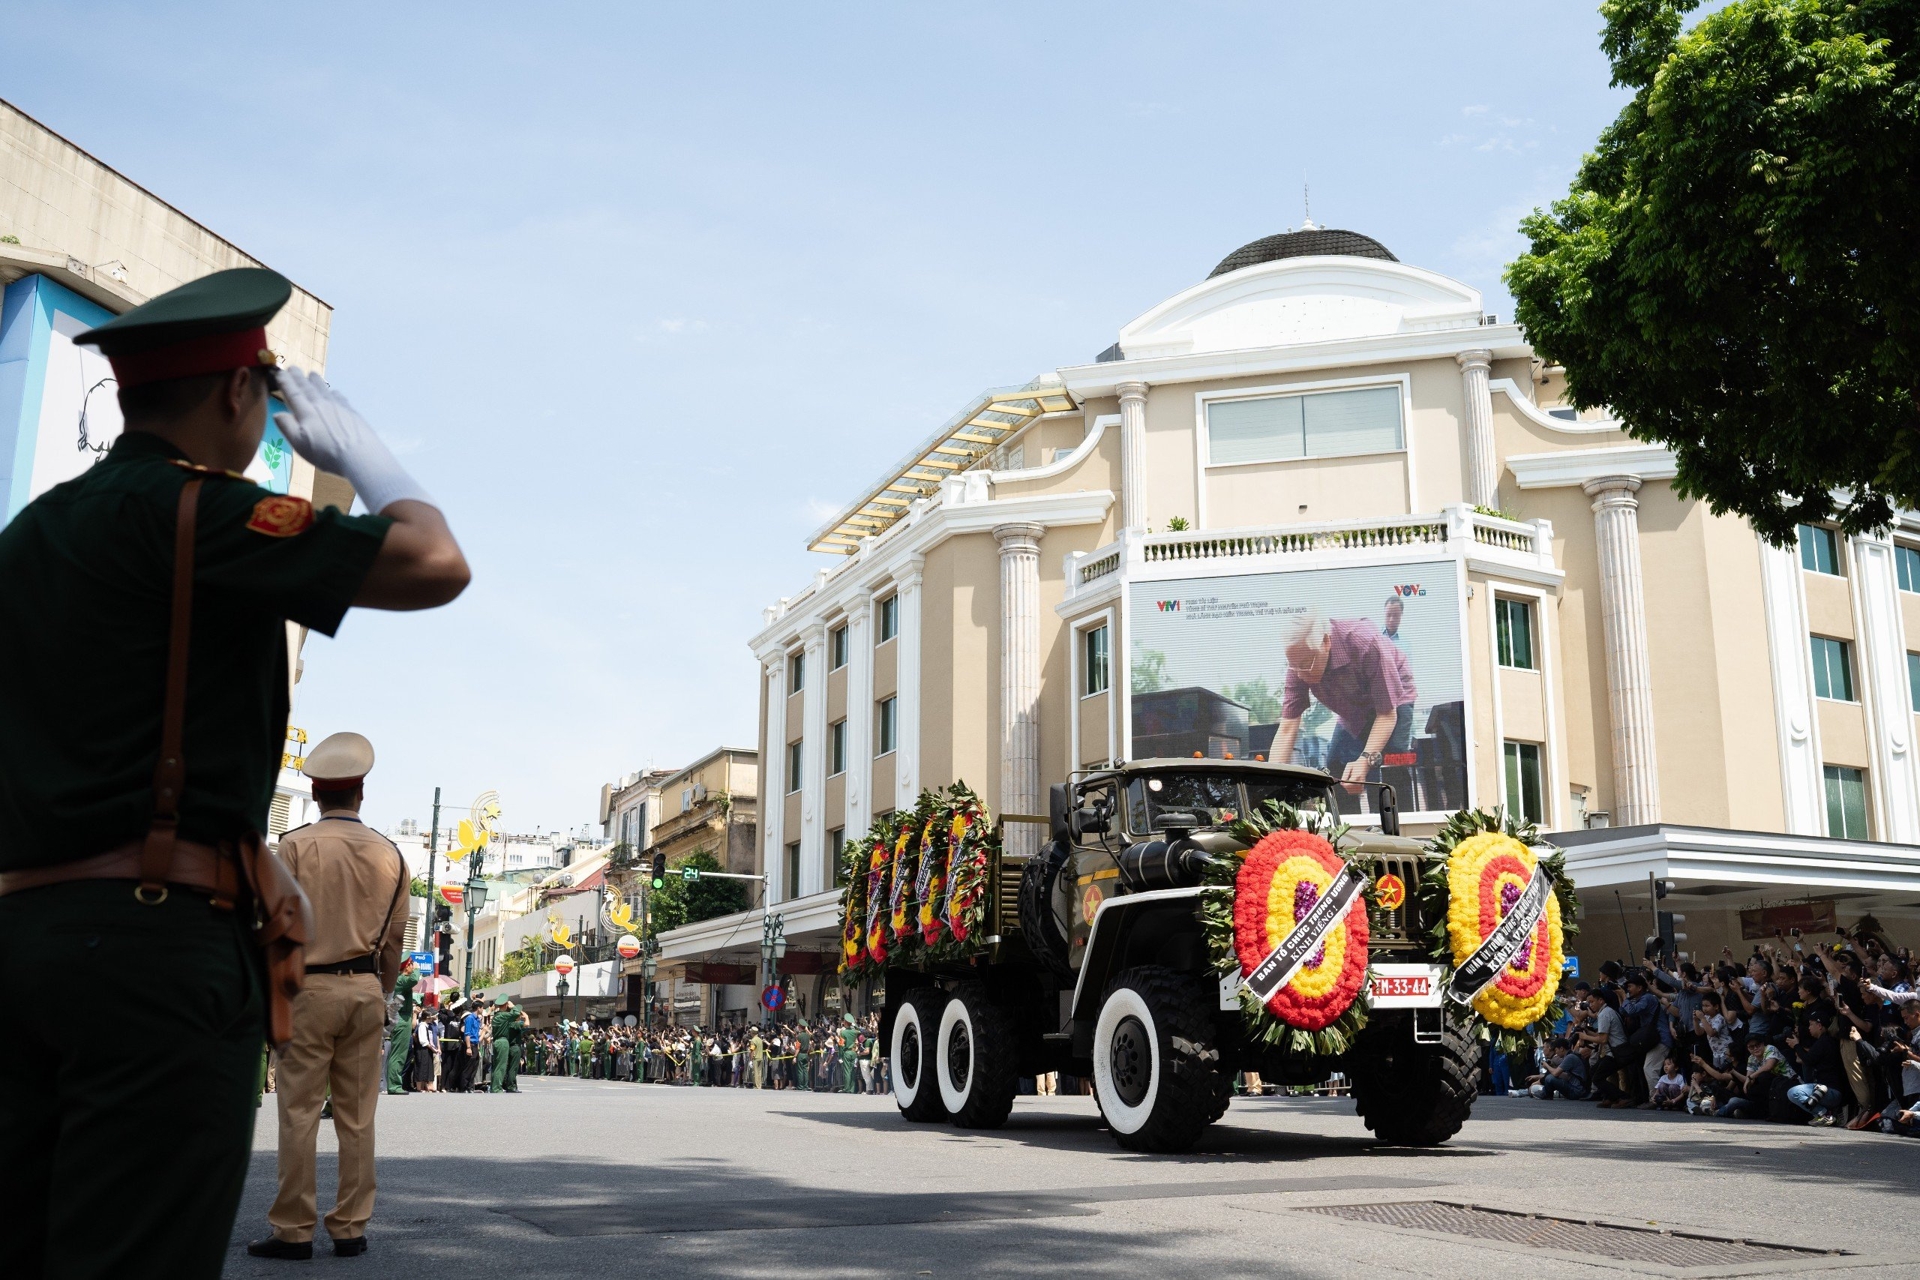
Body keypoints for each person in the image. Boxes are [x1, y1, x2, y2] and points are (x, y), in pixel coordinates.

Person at [0, 268, 469, 1280]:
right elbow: (436, 561)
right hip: (155, 945)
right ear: (237, 394)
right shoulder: (205, 513)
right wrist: (365, 457)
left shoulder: (30, 536)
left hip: (19, 934)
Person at [248, 732, 411, 1260]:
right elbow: (394, 941)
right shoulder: (392, 854)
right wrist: (378, 991)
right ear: (360, 793)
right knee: (357, 1117)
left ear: (316, 794)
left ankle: (293, 1229)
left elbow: (276, 923)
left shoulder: (294, 845)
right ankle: (350, 1227)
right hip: (365, 988)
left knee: (297, 1112)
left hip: (307, 988)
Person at [1267, 610, 1414, 793]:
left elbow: (1386, 715)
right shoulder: (1299, 663)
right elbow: (1288, 728)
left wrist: (1365, 759)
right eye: (1293, 666)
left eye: (1305, 665)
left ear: (1326, 642)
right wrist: (1268, 784)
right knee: (1335, 769)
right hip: (1353, 708)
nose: (1300, 675)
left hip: (1392, 699)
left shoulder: (1365, 642)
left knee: (1388, 766)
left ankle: (1398, 819)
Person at [386, 959, 419, 1095]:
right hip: (401, 1018)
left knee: (399, 1053)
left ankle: (395, 1083)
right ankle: (394, 1085)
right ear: (407, 967)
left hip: (402, 1017)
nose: (414, 966)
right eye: (412, 965)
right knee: (398, 1054)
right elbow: (414, 980)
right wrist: (417, 970)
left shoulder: (400, 979)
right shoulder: (400, 980)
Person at [490, 1000, 524, 1093]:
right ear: (505, 1005)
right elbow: (516, 1014)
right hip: (503, 1041)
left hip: (497, 1041)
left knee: (497, 1065)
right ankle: (496, 1088)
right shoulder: (503, 1015)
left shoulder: (496, 1016)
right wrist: (513, 1006)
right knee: (501, 1067)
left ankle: (494, 1086)